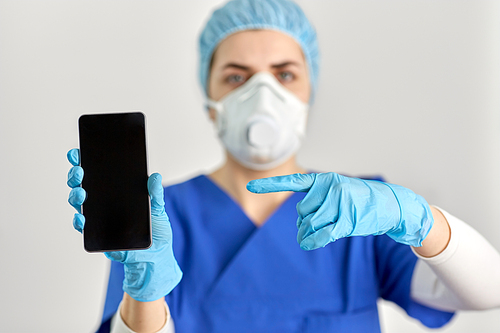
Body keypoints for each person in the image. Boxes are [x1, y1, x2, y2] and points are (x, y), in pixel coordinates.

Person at [67, 0, 500, 332]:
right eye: (237, 77)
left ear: (309, 91)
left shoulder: (362, 212)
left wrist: (423, 222)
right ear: (210, 101)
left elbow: (488, 293)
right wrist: (145, 295)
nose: (263, 93)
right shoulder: (161, 217)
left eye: (285, 74)